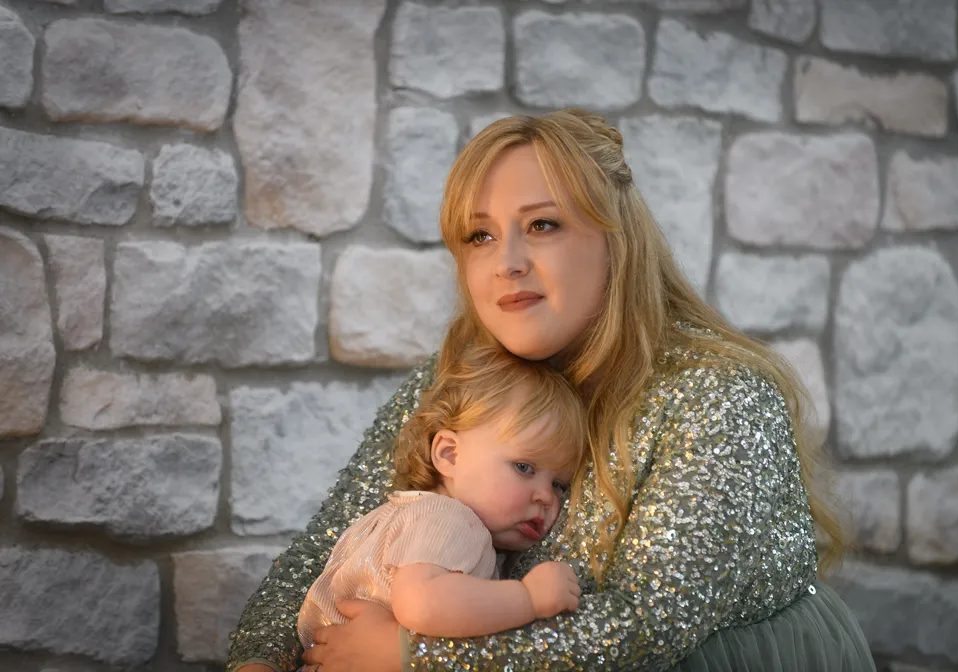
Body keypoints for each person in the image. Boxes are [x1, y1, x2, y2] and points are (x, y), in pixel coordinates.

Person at [227, 108, 875, 672]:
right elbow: (326, 548)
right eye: (480, 235)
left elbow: (644, 627)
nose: (506, 259)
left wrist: (411, 656)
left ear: (615, 240)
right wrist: (259, 660)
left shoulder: (720, 397)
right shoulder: (464, 376)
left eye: (542, 225)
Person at [295, 343, 587, 658]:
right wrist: (529, 598)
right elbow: (423, 605)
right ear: (449, 454)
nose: (546, 497)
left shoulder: (406, 513)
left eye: (559, 484)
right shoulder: (450, 521)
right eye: (524, 467)